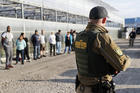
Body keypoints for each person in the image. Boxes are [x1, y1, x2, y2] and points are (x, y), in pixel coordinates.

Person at [74, 6, 131, 93]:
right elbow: (122, 64)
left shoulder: (79, 36)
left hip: (81, 88)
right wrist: (128, 58)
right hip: (98, 88)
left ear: (90, 19)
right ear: (104, 20)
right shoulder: (101, 37)